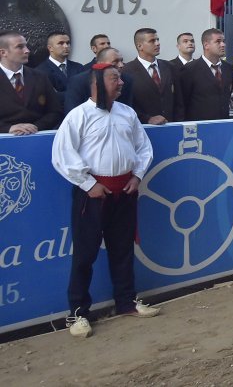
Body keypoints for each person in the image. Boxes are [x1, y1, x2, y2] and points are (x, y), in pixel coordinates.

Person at [52, 62, 159, 338]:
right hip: (94, 194)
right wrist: (89, 184)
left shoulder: (127, 113)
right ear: (97, 83)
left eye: (121, 79)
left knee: (122, 249)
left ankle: (126, 302)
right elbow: (62, 155)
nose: (121, 83)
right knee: (85, 254)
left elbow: (143, 148)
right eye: (114, 79)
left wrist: (137, 176)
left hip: (125, 190)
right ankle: (78, 313)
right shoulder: (79, 116)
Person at [0, 31, 62, 134]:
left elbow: (55, 111)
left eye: (26, 46)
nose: (27, 51)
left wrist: (36, 127)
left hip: (36, 137)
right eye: (20, 47)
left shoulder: (40, 76)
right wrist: (7, 128)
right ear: (3, 53)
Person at [122, 28, 184, 125]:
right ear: (140, 46)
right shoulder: (127, 71)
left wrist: (178, 123)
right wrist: (147, 119)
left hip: (171, 126)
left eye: (157, 40)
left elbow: (179, 100)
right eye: (152, 41)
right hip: (143, 128)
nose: (157, 43)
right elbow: (126, 104)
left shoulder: (170, 67)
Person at [180, 29, 233, 121]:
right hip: (199, 127)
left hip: (224, 125)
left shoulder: (228, 68)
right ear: (206, 45)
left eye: (223, 41)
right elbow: (183, 101)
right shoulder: (190, 69)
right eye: (218, 41)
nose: (223, 45)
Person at [65, 47, 133, 114]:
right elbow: (72, 112)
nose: (121, 65)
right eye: (115, 61)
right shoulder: (78, 82)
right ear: (100, 63)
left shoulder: (126, 80)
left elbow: (127, 109)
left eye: (121, 61)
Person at [36, 32, 82, 102]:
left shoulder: (79, 67)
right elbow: (49, 98)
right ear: (50, 48)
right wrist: (77, 94)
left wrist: (59, 94)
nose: (66, 46)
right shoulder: (40, 72)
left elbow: (86, 91)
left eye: (68, 43)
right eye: (61, 43)